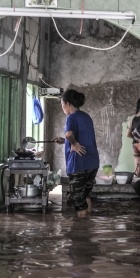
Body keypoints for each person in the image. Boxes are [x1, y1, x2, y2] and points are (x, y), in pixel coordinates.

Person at [53, 89, 100, 217]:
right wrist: (65, 141)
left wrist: (73, 143)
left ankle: (82, 233)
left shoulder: (71, 117)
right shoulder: (86, 116)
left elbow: (69, 134)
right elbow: (81, 136)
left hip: (79, 164)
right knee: (85, 196)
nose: (62, 108)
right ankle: (89, 226)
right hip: (92, 163)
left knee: (78, 201)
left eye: (62, 104)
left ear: (67, 104)